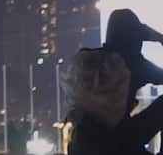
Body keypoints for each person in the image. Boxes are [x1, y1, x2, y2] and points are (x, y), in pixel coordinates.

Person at [68, 8, 163, 155]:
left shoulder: (90, 59)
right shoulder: (132, 62)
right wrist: (159, 38)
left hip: (82, 143)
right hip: (119, 143)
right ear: (135, 37)